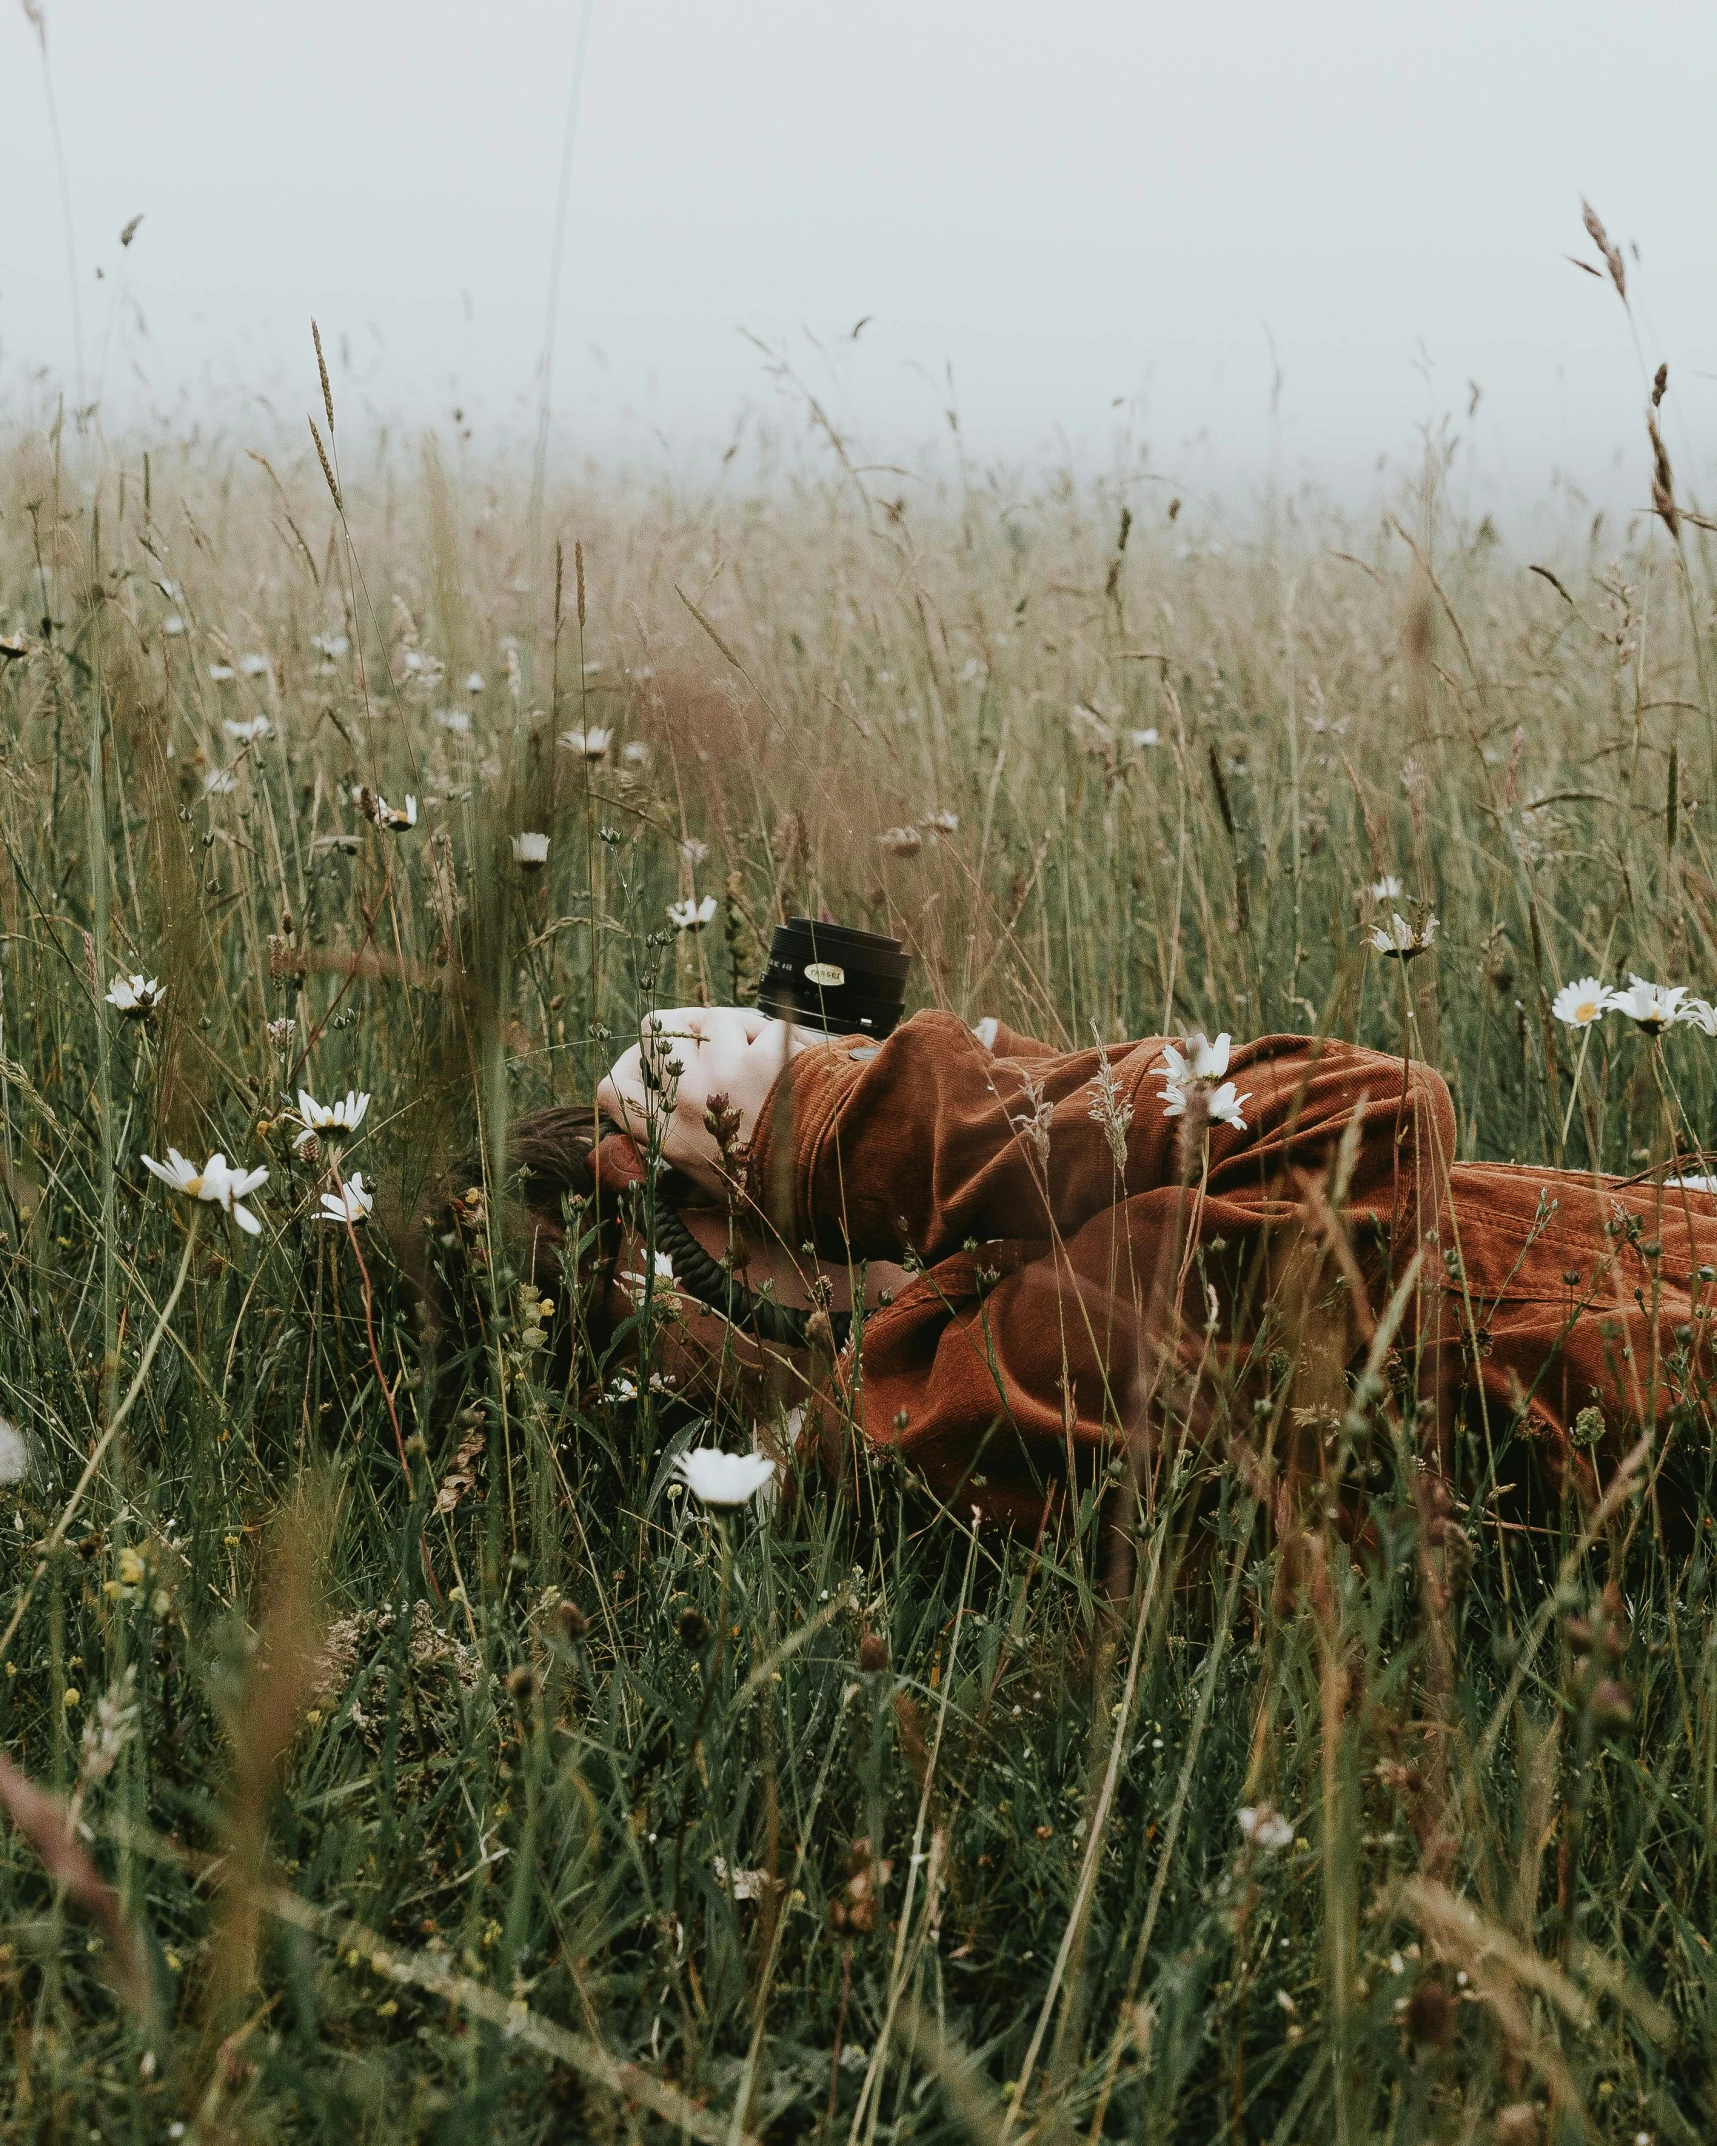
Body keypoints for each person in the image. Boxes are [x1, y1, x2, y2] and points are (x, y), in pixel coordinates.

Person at [474, 1006, 1716, 1534]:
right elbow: (1376, 1115)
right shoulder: (955, 1395)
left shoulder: (954, 1319)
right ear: (678, 1265)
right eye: (717, 1193)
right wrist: (859, 1127)